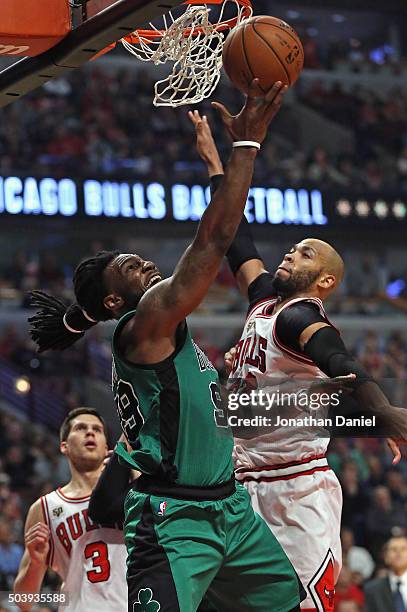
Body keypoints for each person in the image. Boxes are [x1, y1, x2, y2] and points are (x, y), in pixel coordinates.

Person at [28, 82, 306, 612]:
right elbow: (213, 241)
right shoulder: (142, 326)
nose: (146, 264)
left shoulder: (164, 329)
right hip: (173, 518)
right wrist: (244, 147)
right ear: (115, 299)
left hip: (231, 509)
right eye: (132, 267)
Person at [190, 112, 407, 612]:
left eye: (305, 254)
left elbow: (342, 363)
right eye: (292, 248)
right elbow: (234, 238)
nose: (290, 254)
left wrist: (387, 413)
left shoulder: (300, 318)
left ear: (325, 280)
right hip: (240, 484)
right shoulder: (265, 300)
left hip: (295, 490)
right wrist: (216, 166)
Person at [13, 408, 128, 612]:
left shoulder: (130, 489)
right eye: (81, 428)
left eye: (97, 429)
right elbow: (23, 601)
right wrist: (36, 563)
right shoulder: (44, 508)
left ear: (106, 447)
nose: (90, 433)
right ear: (64, 446)